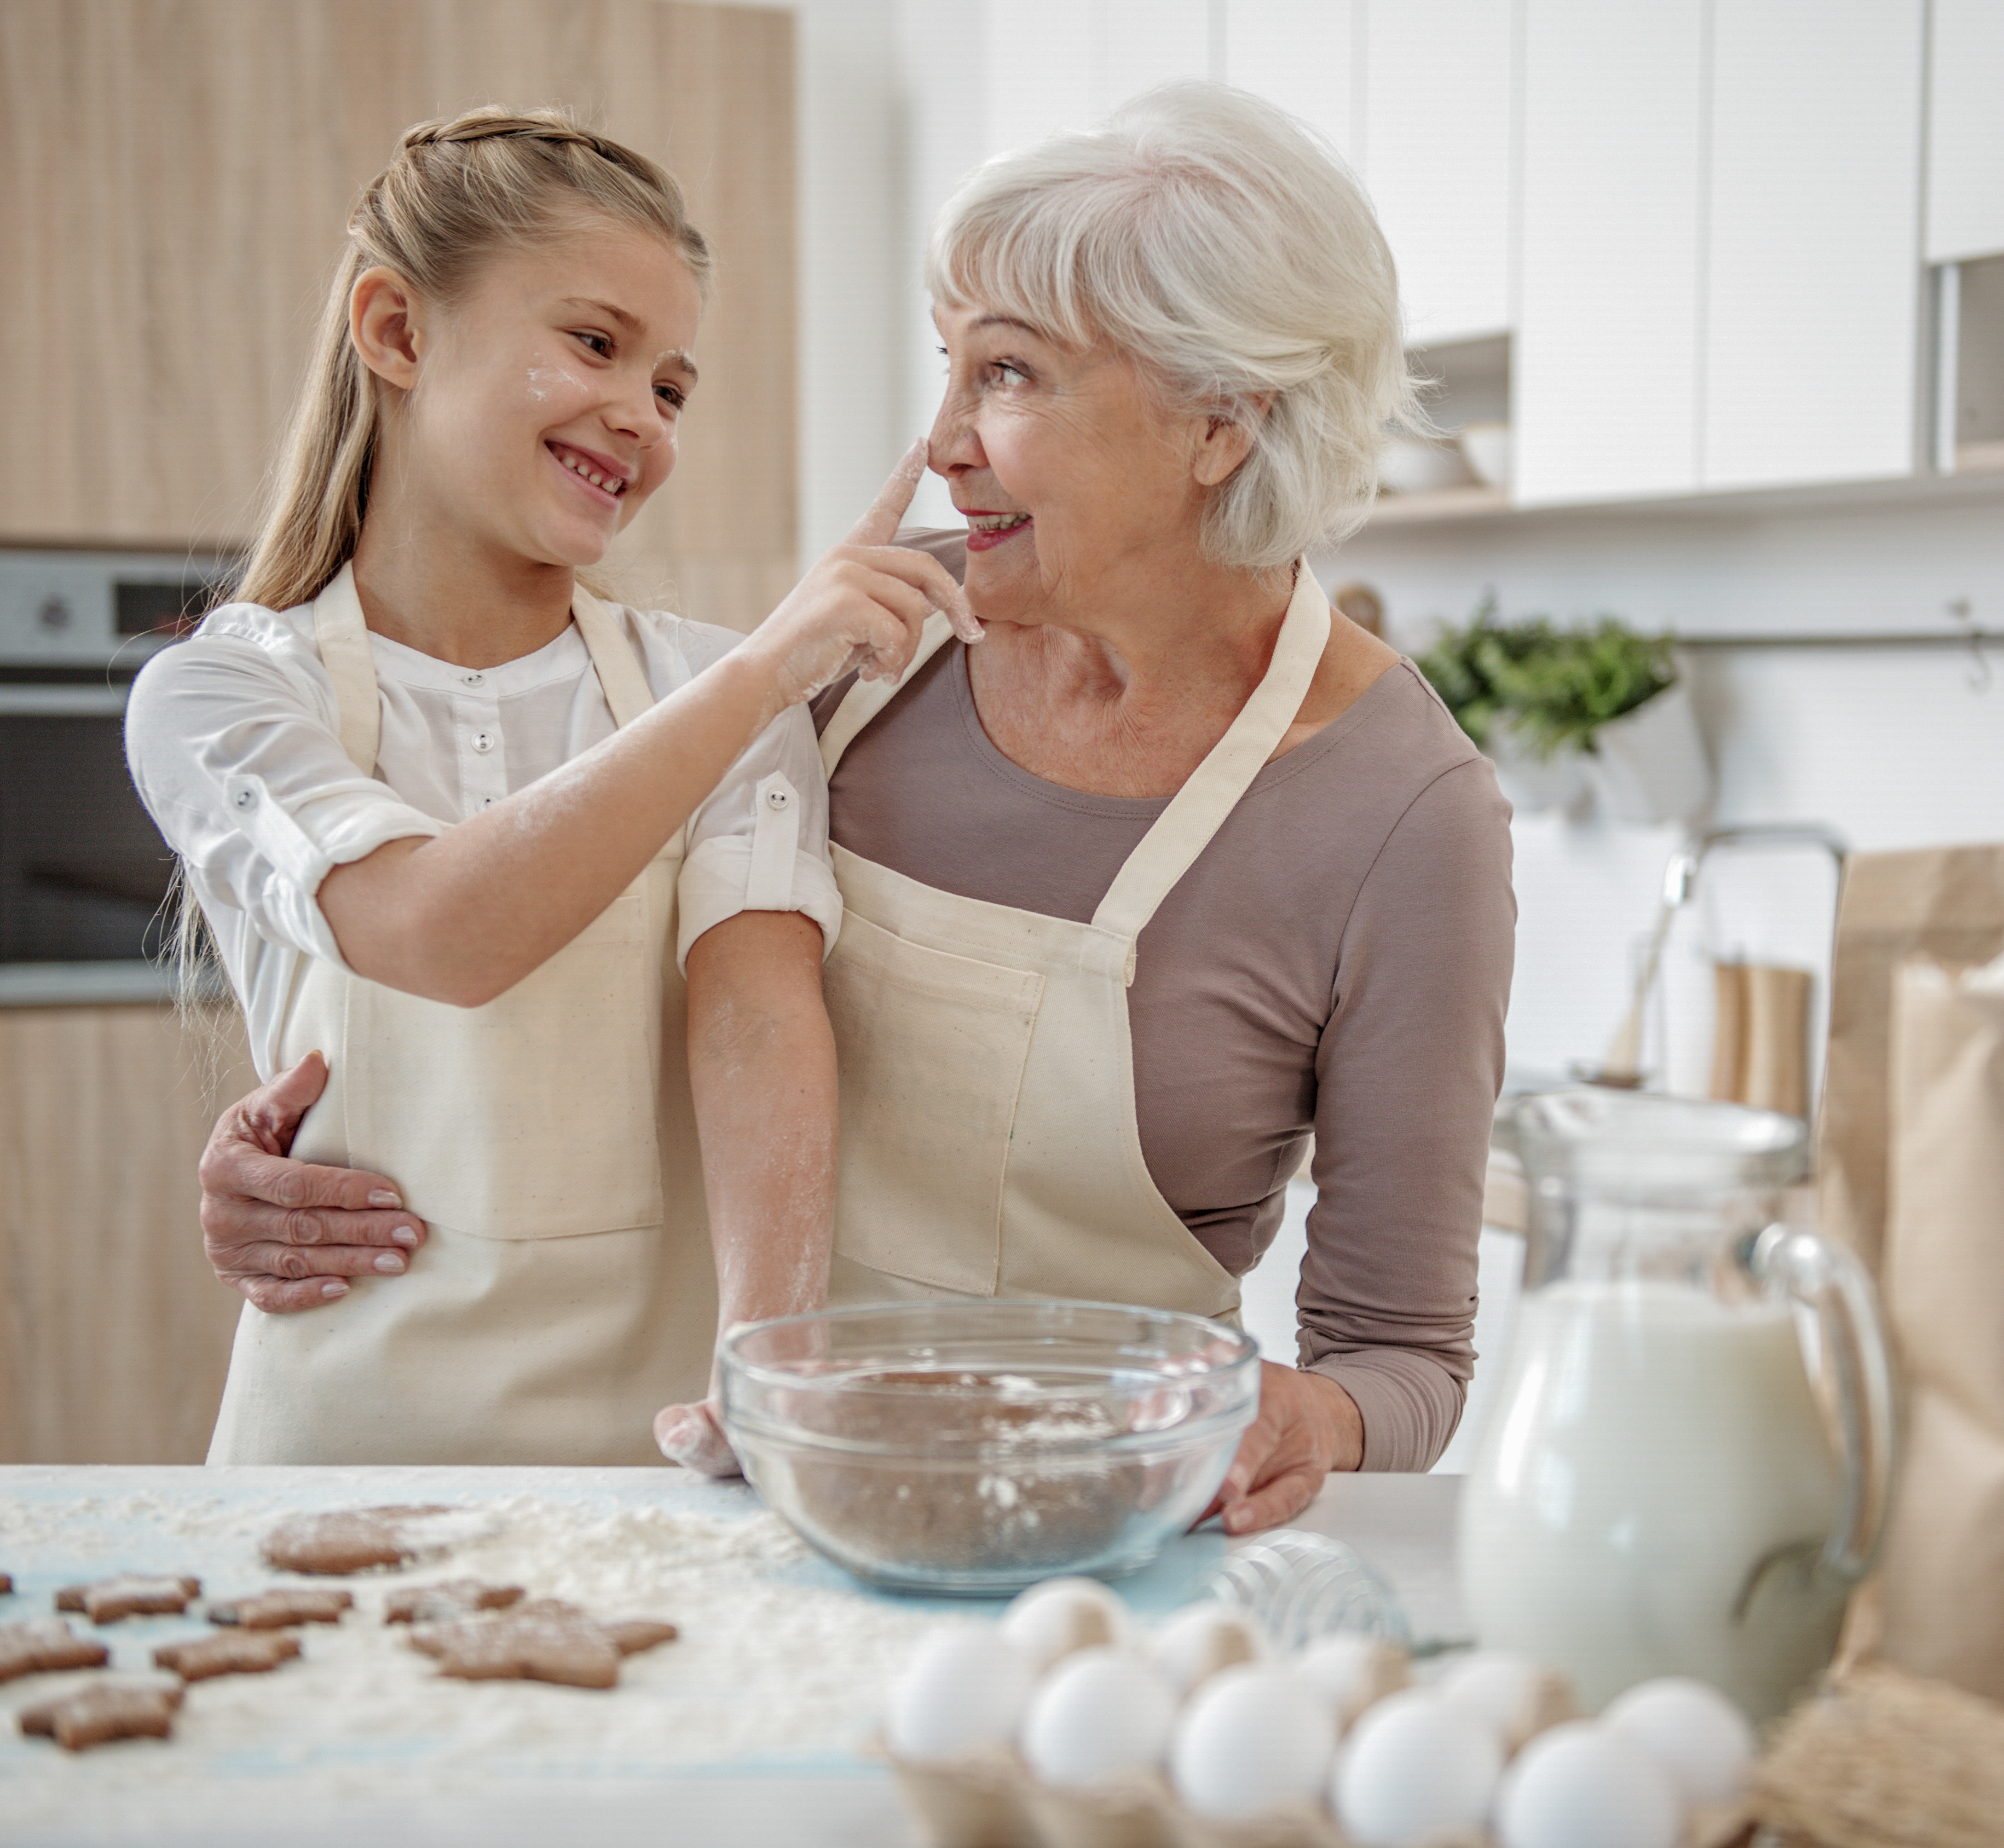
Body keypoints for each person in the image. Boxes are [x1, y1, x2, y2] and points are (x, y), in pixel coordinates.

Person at [194, 83, 1517, 1532]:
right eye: (946, 368)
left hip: (1097, 1532)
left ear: (1219, 421)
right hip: (755, 1496)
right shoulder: (856, 660)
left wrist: (1312, 1416)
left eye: (1006, 377)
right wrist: (316, 1146)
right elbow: (580, 964)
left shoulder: (1404, 815)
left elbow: (1404, 1360)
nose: (939, 445)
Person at [127, 107, 973, 1465]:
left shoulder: (713, 696)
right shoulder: (226, 696)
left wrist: (769, 1370)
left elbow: (759, 1021)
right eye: (593, 343)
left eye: (674, 386)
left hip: (653, 1460)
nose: (640, 414)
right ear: (398, 332)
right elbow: (440, 933)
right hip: (330, 1462)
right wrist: (764, 673)